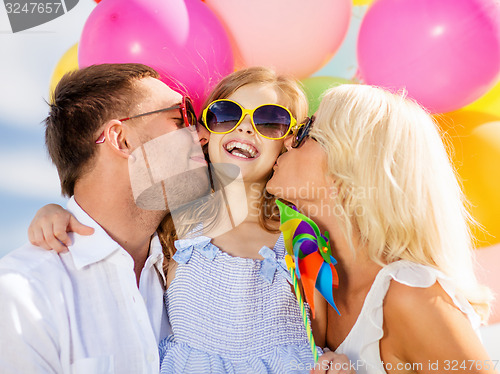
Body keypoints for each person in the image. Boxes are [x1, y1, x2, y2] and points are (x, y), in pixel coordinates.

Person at [25, 67, 325, 373]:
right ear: (208, 131)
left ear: (288, 143)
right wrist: (55, 210)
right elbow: (113, 216)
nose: (246, 129)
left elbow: (325, 335)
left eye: (270, 122)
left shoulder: (300, 234)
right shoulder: (174, 222)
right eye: (226, 114)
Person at [267, 84, 496, 374]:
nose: (287, 141)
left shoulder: (411, 293)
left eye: (304, 132)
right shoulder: (317, 286)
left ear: (346, 164)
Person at [0, 63, 209, 373]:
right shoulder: (23, 294)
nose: (203, 135)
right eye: (180, 120)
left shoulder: (196, 268)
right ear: (120, 139)